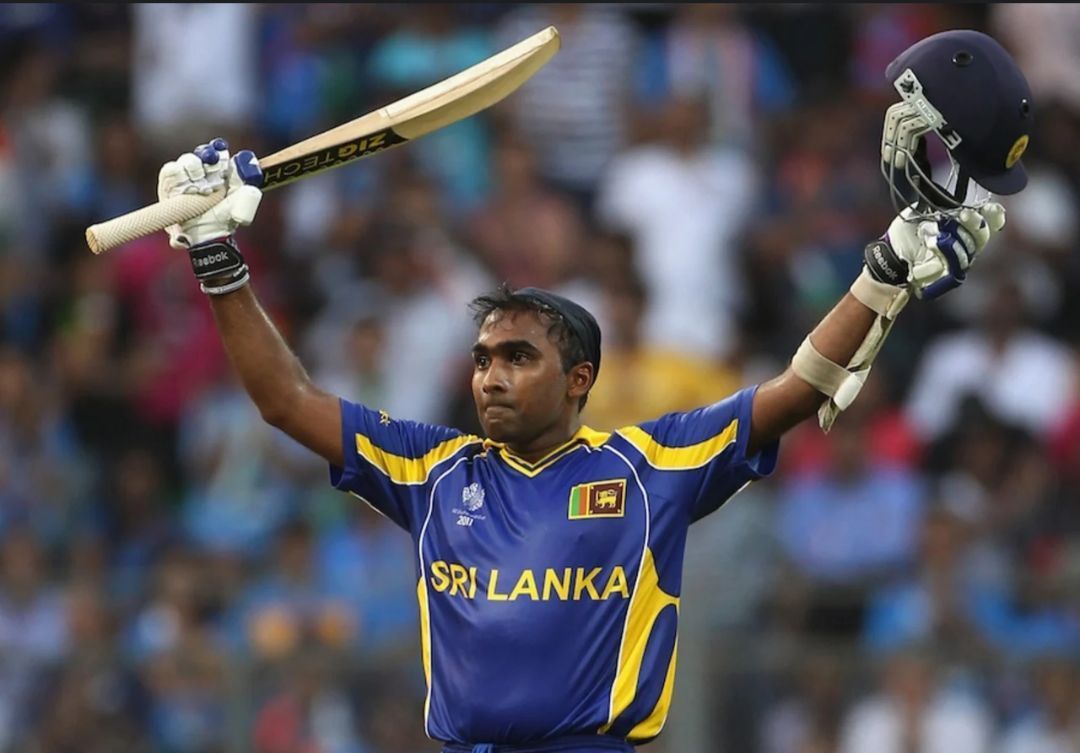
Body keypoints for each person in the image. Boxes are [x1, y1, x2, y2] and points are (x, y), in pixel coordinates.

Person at [145, 29, 1030, 753]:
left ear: (578, 381)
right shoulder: (432, 470)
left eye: (518, 356)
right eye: (485, 356)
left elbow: (797, 389)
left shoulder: (649, 468)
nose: (490, 373)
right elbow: (284, 400)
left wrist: (881, 277)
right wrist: (219, 259)